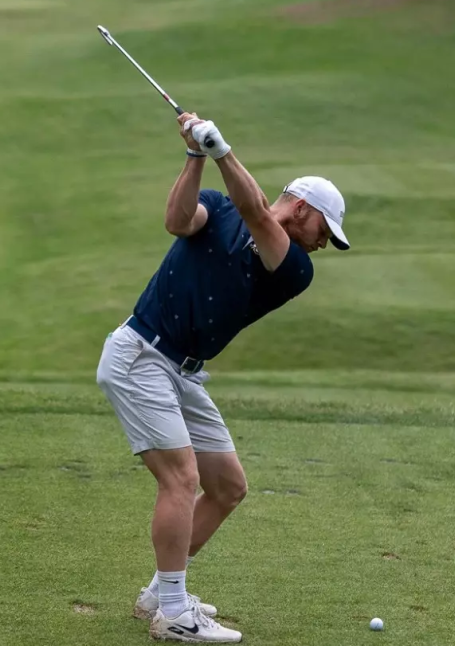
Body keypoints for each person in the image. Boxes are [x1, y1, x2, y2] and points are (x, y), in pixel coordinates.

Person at [96, 112, 349, 643]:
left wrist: (221, 151)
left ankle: (158, 594)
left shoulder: (295, 268)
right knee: (182, 480)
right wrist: (194, 155)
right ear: (303, 209)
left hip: (183, 373)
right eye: (325, 229)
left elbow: (259, 214)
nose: (325, 242)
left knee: (228, 487)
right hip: (141, 355)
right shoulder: (216, 206)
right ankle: (173, 613)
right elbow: (177, 220)